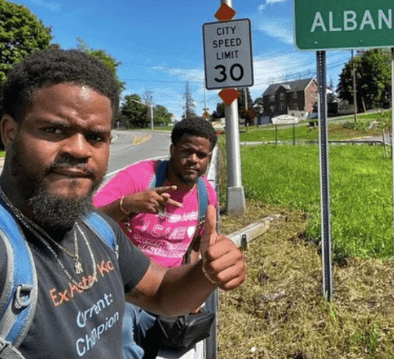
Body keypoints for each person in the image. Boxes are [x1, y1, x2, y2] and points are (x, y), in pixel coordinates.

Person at [0, 48, 246, 358]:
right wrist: (128, 204)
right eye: (54, 130)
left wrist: (206, 273)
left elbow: (161, 293)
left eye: (96, 137)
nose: (79, 150)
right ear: (10, 132)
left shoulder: (97, 228)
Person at [94, 117, 219, 357]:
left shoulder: (206, 194)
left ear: (208, 159)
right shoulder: (140, 178)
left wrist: (192, 292)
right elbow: (88, 223)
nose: (193, 159)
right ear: (173, 150)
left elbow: (195, 246)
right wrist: (127, 204)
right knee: (120, 341)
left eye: (201, 155)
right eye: (186, 151)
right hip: (127, 285)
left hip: (168, 287)